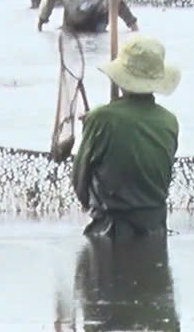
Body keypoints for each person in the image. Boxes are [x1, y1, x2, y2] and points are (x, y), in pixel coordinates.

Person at [72, 34, 179, 238]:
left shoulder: (101, 118)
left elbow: (80, 177)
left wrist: (94, 125)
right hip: (156, 227)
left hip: (110, 228)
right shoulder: (169, 121)